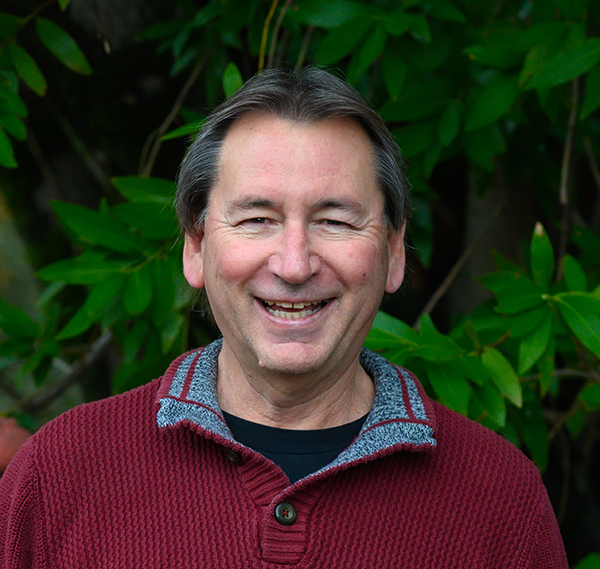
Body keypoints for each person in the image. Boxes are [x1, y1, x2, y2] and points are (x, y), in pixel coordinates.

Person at [0, 67, 568, 567]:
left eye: (335, 221)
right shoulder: (59, 476)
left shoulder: (500, 501)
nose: (294, 265)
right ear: (195, 248)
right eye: (257, 219)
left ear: (394, 253)